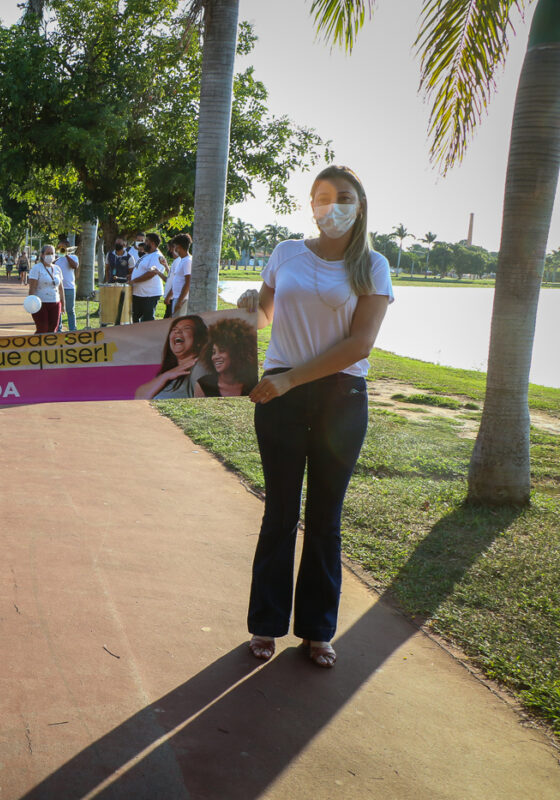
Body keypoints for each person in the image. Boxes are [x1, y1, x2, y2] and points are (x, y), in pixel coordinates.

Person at [238, 165, 393, 669]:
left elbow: (359, 344)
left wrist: (290, 378)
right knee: (279, 512)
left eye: (343, 197)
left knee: (325, 519)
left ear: (360, 205)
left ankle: (317, 630)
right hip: (278, 395)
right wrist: (247, 306)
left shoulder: (373, 266)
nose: (333, 206)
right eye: (322, 197)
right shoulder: (285, 253)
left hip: (340, 399)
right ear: (310, 204)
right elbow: (266, 314)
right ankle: (266, 624)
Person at [133, 314, 209, 400]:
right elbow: (139, 396)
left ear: (199, 340)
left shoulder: (199, 368)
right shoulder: (172, 371)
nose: (177, 332)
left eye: (186, 328)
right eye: (174, 329)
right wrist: (166, 376)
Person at [193, 317, 258, 397]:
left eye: (222, 350)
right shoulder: (203, 385)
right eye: (213, 352)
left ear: (237, 352)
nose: (215, 357)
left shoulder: (254, 383)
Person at [129, 232, 167, 322]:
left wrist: (134, 281)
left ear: (152, 243)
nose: (144, 243)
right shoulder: (148, 254)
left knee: (147, 320)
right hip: (139, 293)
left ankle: (147, 335)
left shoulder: (157, 256)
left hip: (149, 294)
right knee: (133, 317)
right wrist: (131, 276)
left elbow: (151, 274)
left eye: (146, 241)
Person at [27, 244, 63, 334]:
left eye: (52, 253)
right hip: (40, 304)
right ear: (42, 255)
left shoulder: (57, 269)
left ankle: (50, 348)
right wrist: (31, 303)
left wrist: (63, 304)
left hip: (55, 302)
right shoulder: (36, 268)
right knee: (42, 328)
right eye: (48, 253)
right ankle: (37, 347)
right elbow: (32, 288)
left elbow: (61, 288)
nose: (50, 256)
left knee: (53, 329)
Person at [165, 233, 192, 319]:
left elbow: (188, 282)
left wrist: (180, 301)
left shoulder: (188, 261)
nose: (174, 249)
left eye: (175, 246)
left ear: (179, 247)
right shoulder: (182, 260)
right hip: (176, 297)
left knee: (178, 323)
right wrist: (169, 295)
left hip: (183, 299)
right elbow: (178, 280)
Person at [56, 238, 79, 332]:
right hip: (57, 288)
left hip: (69, 288)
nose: (61, 249)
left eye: (63, 247)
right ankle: (58, 330)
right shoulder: (56, 258)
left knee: (70, 310)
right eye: (59, 247)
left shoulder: (73, 257)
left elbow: (75, 266)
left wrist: (66, 255)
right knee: (58, 310)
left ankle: (72, 330)